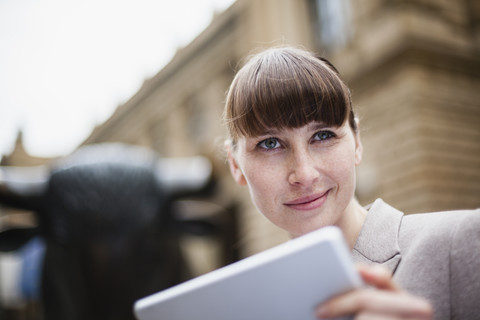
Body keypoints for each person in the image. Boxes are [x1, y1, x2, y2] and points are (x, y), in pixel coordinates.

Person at [223, 46, 480, 319]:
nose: (305, 174)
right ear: (235, 165)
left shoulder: (462, 242)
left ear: (356, 142)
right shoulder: (251, 307)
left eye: (322, 136)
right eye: (270, 143)